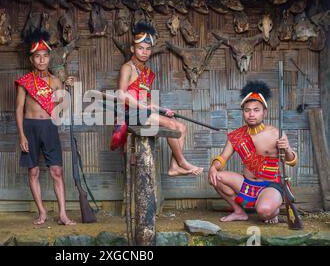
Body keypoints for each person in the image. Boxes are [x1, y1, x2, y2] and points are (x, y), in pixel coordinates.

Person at [111, 21, 203, 176]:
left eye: (148, 49)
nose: (144, 52)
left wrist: (162, 110)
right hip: (130, 114)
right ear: (133, 49)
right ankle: (182, 162)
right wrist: (142, 106)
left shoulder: (147, 72)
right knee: (171, 126)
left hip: (143, 113)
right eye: (140, 48)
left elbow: (147, 100)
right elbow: (121, 94)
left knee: (182, 127)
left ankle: (174, 166)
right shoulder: (128, 68)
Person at [208, 81, 297, 224]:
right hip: (246, 183)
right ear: (243, 112)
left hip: (270, 184)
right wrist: (214, 166)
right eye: (247, 110)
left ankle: (271, 209)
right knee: (215, 176)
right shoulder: (236, 136)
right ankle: (239, 211)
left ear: (264, 112)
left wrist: (287, 148)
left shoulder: (276, 133)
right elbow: (223, 158)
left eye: (256, 110)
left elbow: (292, 161)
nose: (251, 114)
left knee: (263, 212)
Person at [15, 28, 76, 226]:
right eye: (37, 57)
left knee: (56, 171)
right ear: (31, 60)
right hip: (30, 127)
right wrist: (22, 136)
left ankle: (63, 215)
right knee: (33, 171)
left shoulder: (56, 81)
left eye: (45, 56)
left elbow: (62, 109)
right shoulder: (24, 82)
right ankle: (41, 213)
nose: (41, 60)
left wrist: (66, 89)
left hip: (49, 127)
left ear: (49, 58)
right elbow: (18, 109)